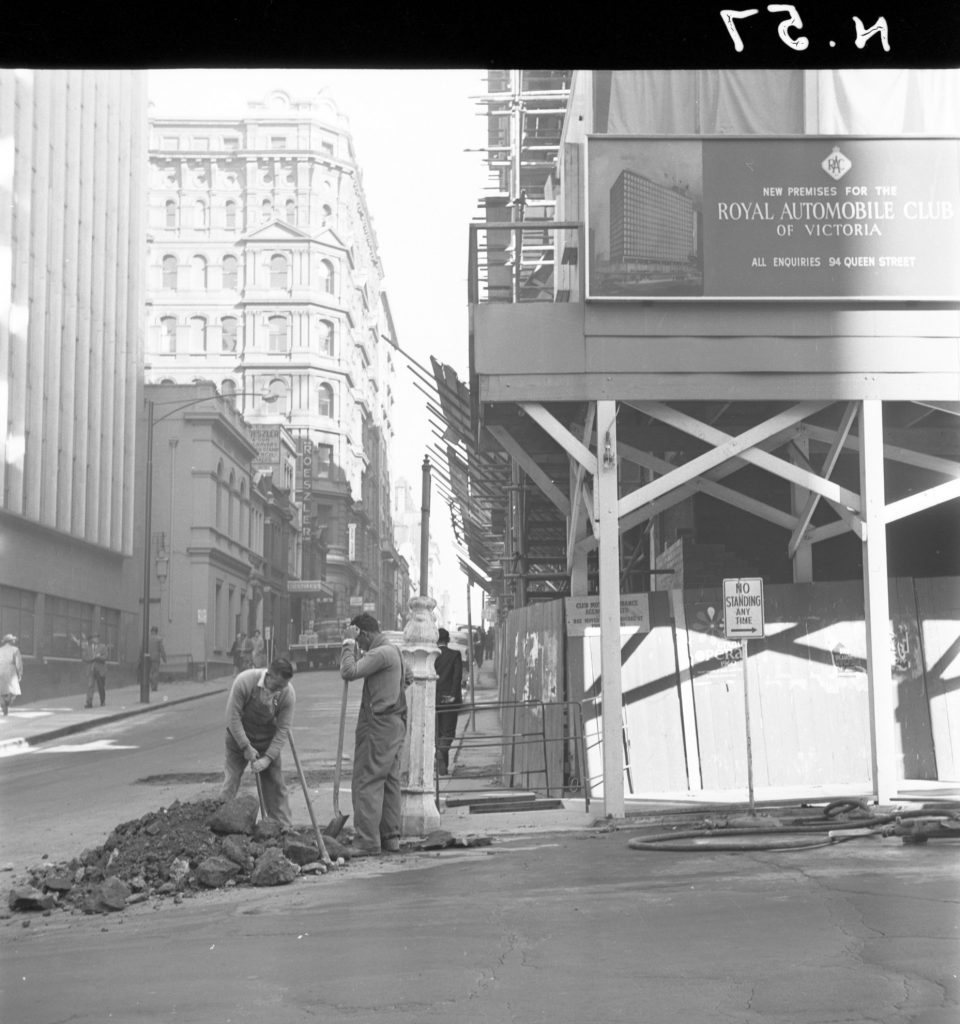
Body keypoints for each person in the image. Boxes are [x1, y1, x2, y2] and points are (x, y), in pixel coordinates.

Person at [339, 613, 412, 856]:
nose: (360, 647)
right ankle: (390, 838)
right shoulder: (394, 651)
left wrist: (348, 643)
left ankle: (367, 841)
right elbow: (408, 677)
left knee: (367, 781)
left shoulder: (380, 653)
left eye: (360, 641)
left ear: (365, 633)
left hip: (379, 725)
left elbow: (348, 671)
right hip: (394, 722)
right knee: (389, 781)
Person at [219, 656, 296, 827]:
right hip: (238, 738)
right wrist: (246, 746)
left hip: (266, 741)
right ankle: (221, 822)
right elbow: (233, 718)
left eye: (282, 687)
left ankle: (282, 828)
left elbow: (283, 729)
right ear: (269, 675)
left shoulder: (287, 693)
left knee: (276, 785)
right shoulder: (245, 681)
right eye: (276, 686)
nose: (279, 690)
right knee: (231, 780)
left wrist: (267, 758)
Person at [434, 628, 464, 776]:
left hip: (433, 701)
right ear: (448, 640)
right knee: (448, 733)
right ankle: (441, 753)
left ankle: (442, 767)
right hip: (449, 701)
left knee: (437, 733)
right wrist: (453, 695)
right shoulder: (454, 655)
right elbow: (457, 677)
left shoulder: (431, 657)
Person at [73, 631, 108, 708]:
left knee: (101, 686)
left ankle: (102, 701)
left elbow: (105, 657)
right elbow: (84, 657)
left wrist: (99, 657)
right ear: (91, 639)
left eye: (97, 638)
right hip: (91, 669)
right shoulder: (87, 648)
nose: (96, 639)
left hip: (100, 670)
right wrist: (91, 658)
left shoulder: (103, 647)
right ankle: (89, 702)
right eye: (94, 638)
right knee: (90, 686)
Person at [0, 634, 24, 716]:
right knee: (13, 691)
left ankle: (3, 703)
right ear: (10, 641)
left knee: (2, 691)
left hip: (1, 670)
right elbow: (18, 663)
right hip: (11, 671)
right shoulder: (15, 649)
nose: (14, 641)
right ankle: (6, 702)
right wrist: (20, 673)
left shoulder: (0, 650)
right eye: (13, 640)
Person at [147, 626, 167, 692]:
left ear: (151, 631)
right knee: (155, 672)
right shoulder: (159, 639)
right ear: (156, 631)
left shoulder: (147, 638)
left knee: (149, 672)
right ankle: (154, 687)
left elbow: (142, 648)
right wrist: (164, 658)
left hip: (147, 657)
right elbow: (162, 649)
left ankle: (151, 682)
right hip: (156, 658)